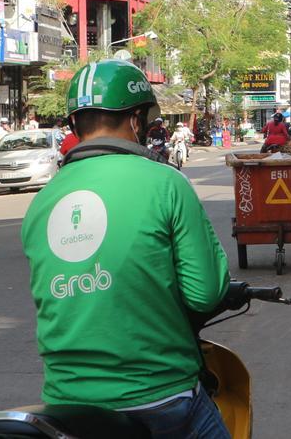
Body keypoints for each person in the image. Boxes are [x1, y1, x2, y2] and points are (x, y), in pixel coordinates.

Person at [19, 59, 230, 436]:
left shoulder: (42, 201)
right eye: (144, 122)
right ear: (136, 121)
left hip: (66, 405)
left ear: (73, 124)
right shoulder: (165, 182)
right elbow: (206, 293)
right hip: (159, 397)